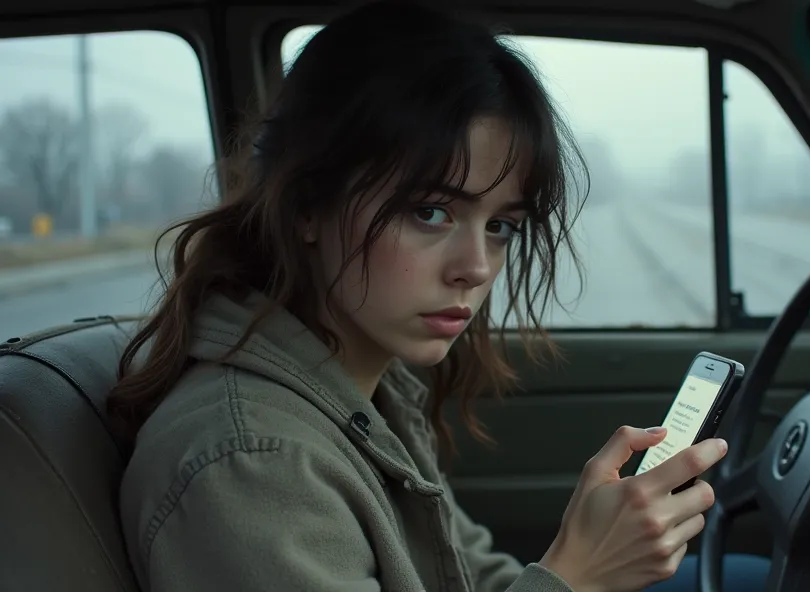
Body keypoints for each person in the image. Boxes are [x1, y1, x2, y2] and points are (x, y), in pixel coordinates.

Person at [108, 1, 771, 590]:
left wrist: (592, 560)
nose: (476, 268)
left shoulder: (365, 385)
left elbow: (465, 573)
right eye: (428, 212)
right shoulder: (251, 466)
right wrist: (577, 576)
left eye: (502, 225)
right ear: (309, 204)